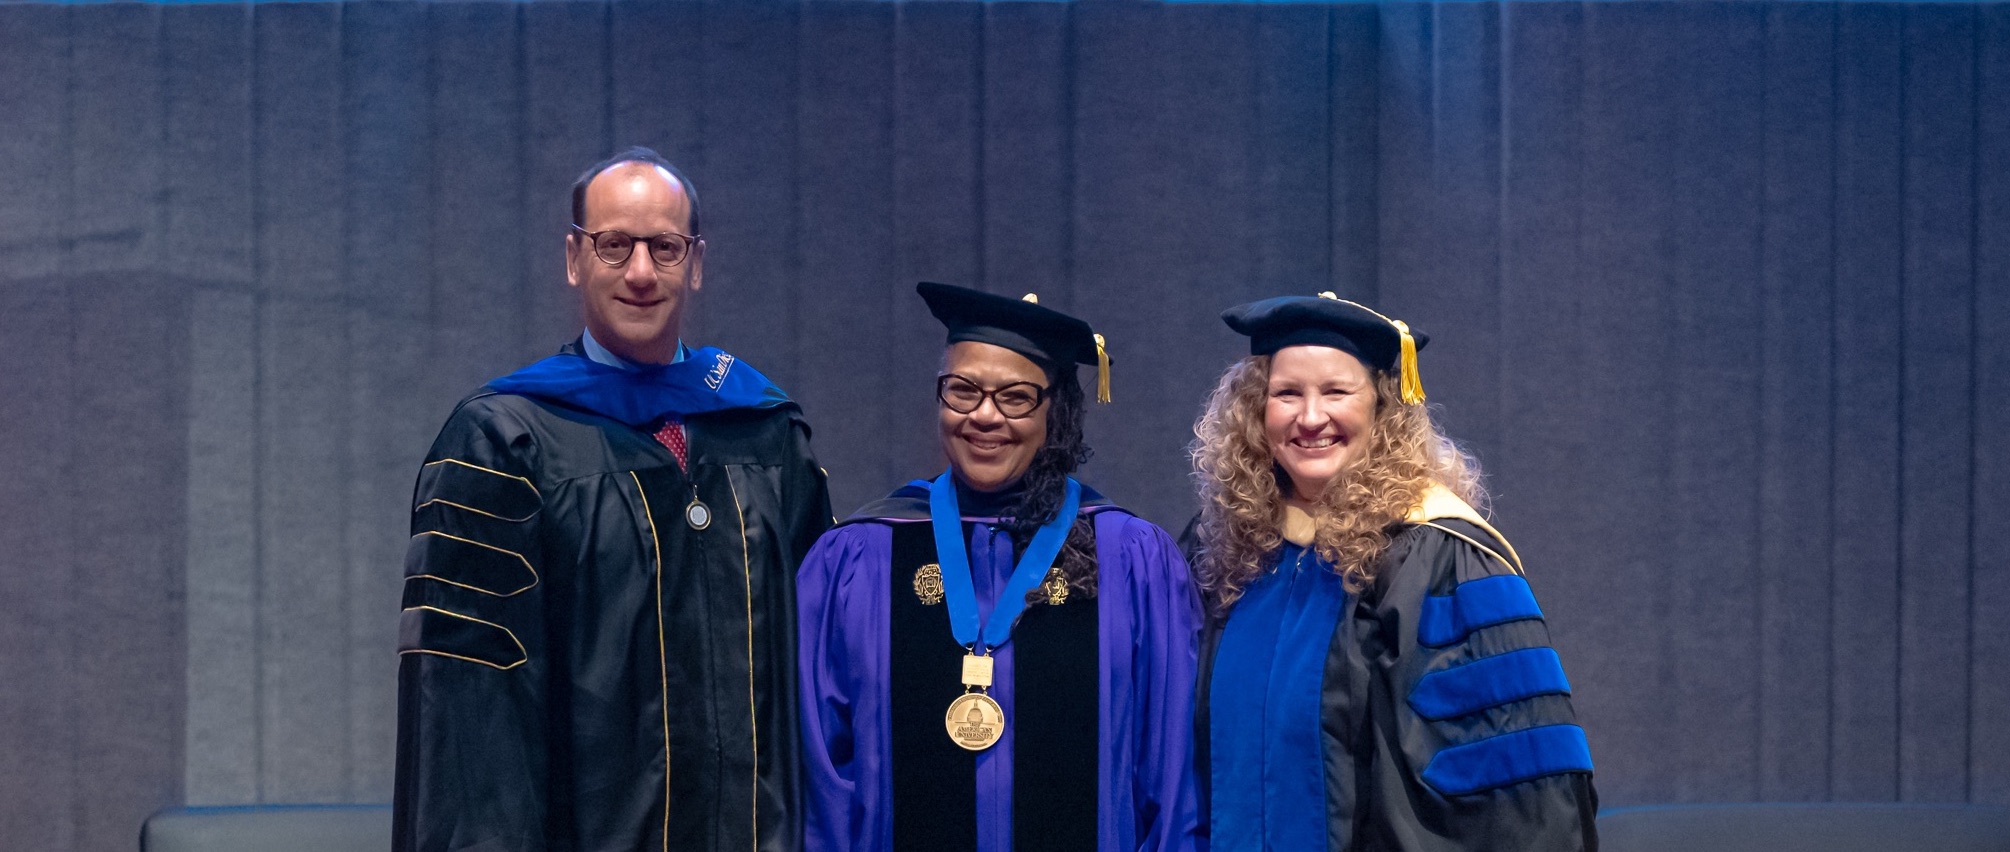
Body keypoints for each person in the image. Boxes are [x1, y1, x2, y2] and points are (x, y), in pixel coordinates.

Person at [393, 147, 832, 852]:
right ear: (574, 258)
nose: (638, 272)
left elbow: (821, 675)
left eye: (662, 247)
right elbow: (468, 717)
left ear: (694, 262)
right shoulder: (504, 442)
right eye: (613, 245)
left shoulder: (768, 434)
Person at [797, 282, 1203, 852]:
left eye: (1015, 397)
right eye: (962, 390)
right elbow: (822, 783)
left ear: (1055, 411)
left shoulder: (1129, 559)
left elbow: (1170, 777)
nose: (984, 416)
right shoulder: (859, 559)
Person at [1189, 293, 1598, 852]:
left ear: (1382, 408)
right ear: (1255, 410)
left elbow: (1513, 786)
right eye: (1287, 394)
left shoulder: (1436, 555)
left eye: (1336, 391)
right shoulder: (1231, 549)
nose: (1310, 418)